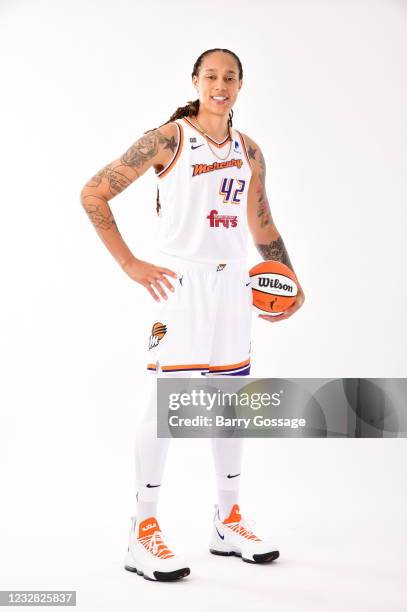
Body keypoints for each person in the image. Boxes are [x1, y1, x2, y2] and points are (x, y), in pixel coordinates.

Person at [80, 48, 305, 582]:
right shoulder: (169, 138)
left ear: (241, 84)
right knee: (169, 406)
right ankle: (144, 531)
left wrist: (289, 280)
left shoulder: (250, 151)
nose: (220, 85)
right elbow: (94, 193)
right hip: (181, 286)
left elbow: (262, 225)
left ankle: (227, 520)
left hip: (233, 286)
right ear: (196, 82)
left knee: (229, 403)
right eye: (211, 76)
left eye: (230, 77)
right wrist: (130, 262)